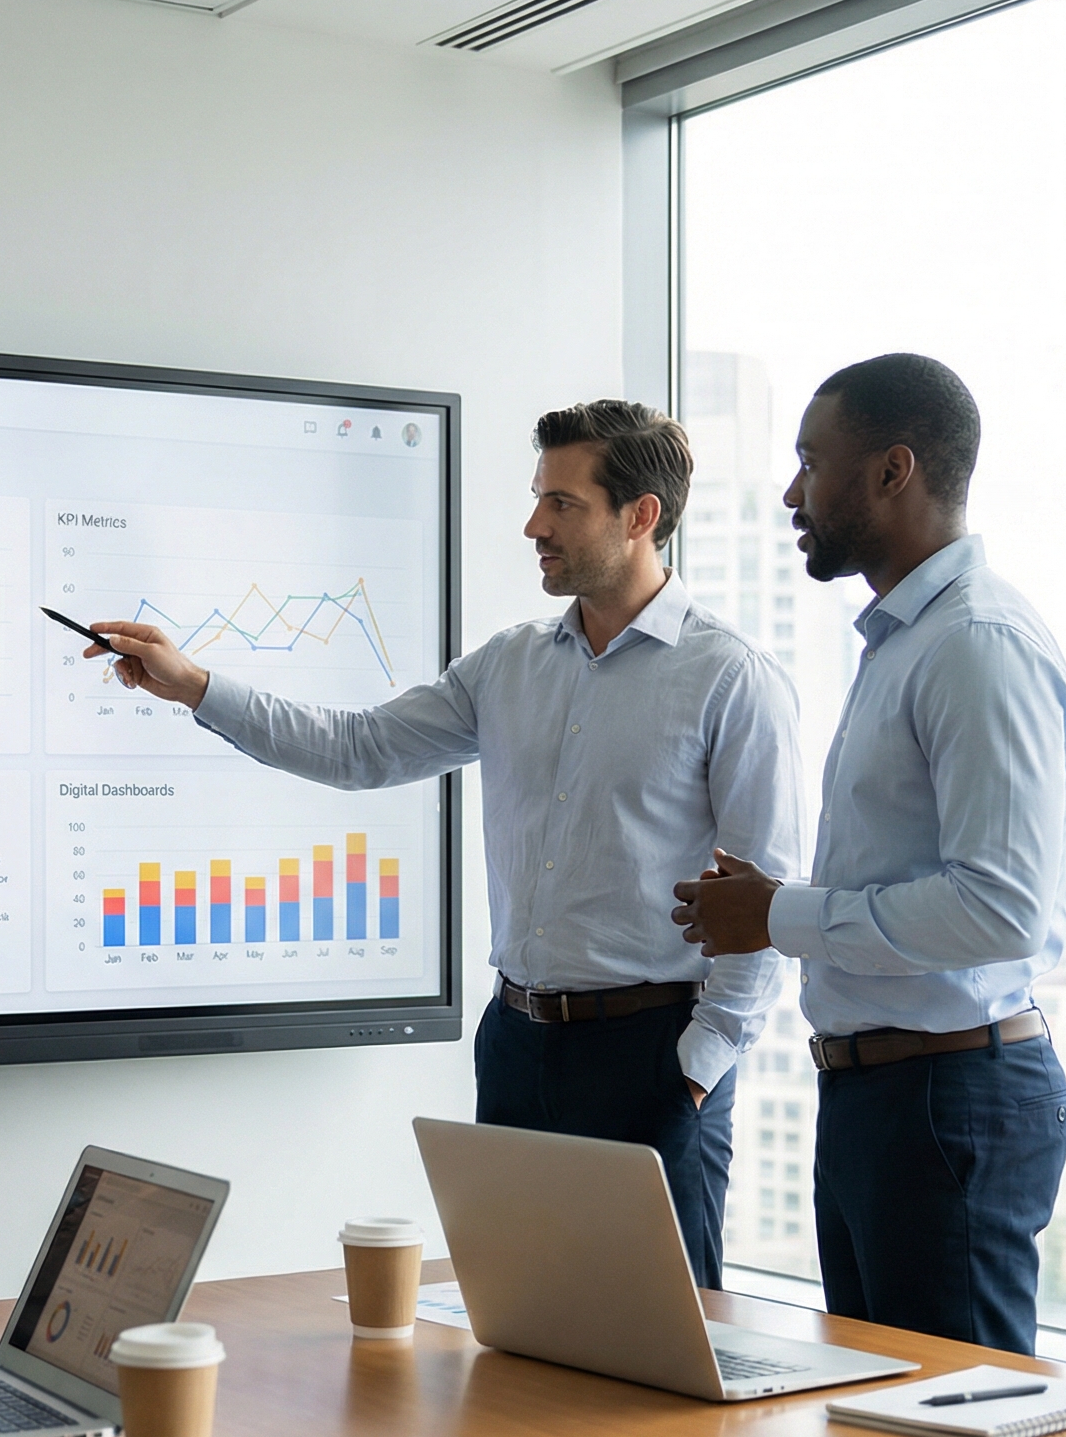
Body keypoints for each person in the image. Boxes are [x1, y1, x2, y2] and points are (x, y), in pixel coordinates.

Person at [89, 402, 801, 1284]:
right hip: (516, 1045)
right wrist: (196, 686)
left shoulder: (730, 678)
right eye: (538, 498)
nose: (534, 525)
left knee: (660, 1357)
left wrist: (697, 1068)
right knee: (519, 1325)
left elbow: (767, 898)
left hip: (652, 1054)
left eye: (563, 505)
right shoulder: (509, 664)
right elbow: (360, 747)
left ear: (641, 515)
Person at [670, 353, 1066, 1355]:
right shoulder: (905, 641)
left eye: (813, 462)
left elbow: (1000, 908)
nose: (790, 492)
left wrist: (778, 915)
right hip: (879, 1097)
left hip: (948, 1101)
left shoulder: (977, 644)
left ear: (894, 471)